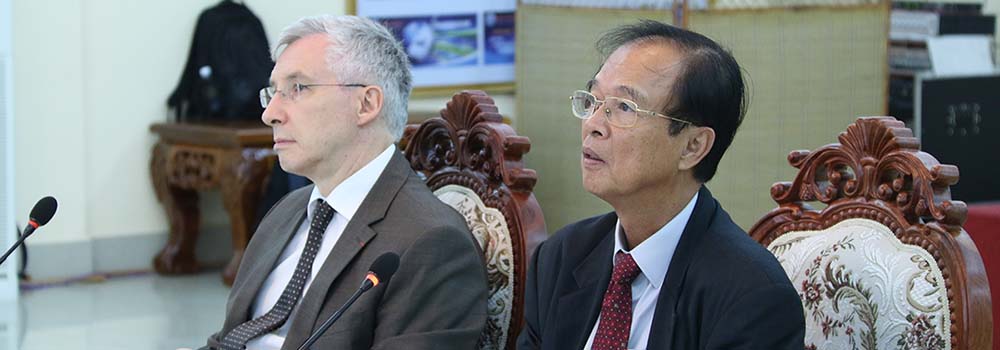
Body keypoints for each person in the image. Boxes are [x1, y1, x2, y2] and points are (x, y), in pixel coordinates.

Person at [202, 15, 487, 350]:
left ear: (366, 104)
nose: (270, 114)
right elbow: (233, 339)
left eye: (298, 88)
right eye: (273, 92)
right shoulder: (286, 212)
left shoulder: (432, 242)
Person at [517, 20, 805, 350]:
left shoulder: (751, 296)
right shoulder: (561, 257)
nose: (593, 124)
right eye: (594, 101)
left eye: (624, 107)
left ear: (693, 146)